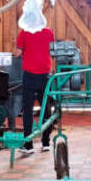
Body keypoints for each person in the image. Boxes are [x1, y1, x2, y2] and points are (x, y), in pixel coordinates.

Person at [14, 26, 55, 155]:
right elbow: (52, 51)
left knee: (27, 110)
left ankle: (28, 145)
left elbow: (17, 53)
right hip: (45, 74)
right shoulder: (48, 32)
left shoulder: (24, 32)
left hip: (30, 75)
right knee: (46, 108)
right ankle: (46, 143)